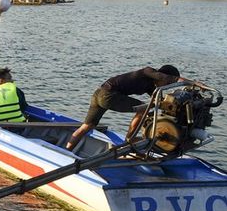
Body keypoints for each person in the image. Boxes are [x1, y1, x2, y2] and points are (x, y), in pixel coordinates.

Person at [65, 64, 193, 150]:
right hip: (108, 95)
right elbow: (164, 77)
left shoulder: (151, 87)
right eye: (168, 82)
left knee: (87, 126)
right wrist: (194, 83)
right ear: (162, 76)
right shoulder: (147, 71)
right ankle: (129, 139)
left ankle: (68, 149)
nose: (167, 83)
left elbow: (157, 101)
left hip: (99, 93)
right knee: (142, 109)